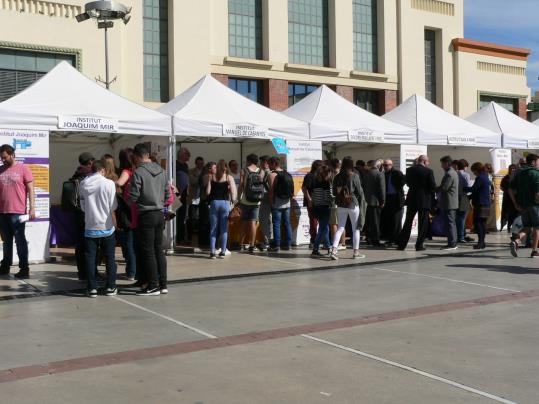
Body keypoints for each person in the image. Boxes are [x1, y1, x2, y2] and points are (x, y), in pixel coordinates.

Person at [129, 143, 169, 296]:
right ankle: (163, 284)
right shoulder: (162, 171)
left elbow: (133, 196)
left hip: (146, 214)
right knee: (158, 249)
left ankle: (152, 285)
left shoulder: (138, 172)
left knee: (148, 252)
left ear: (138, 157)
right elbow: (167, 194)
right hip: (159, 213)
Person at [79, 160, 118, 297]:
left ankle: (92, 288)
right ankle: (111, 286)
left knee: (90, 258)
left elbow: (83, 206)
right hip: (107, 226)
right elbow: (113, 206)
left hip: (90, 225)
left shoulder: (83, 183)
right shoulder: (109, 184)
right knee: (109, 258)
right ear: (102, 170)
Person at [0, 144, 35, 278]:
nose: (3, 160)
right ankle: (5, 266)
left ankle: (24, 268)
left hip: (17, 212)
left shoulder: (23, 169)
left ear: (12, 154)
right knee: (6, 241)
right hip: (2, 212)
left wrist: (32, 207)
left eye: (5, 157)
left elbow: (31, 189)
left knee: (20, 240)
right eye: (1, 158)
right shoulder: (0, 169)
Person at [397, 155, 436, 251]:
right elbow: (432, 186)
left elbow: (408, 183)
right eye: (428, 161)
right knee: (423, 223)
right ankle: (419, 245)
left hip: (412, 198)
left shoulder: (409, 170)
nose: (428, 163)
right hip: (424, 199)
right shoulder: (429, 171)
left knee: (408, 222)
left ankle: (402, 244)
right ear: (424, 161)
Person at [330, 157, 365, 260]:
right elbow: (359, 191)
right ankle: (356, 253)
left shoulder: (337, 177)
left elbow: (334, 193)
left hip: (341, 204)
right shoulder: (355, 176)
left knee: (340, 227)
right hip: (353, 203)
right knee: (356, 229)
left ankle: (334, 250)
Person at [70, 152, 96, 280]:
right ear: (90, 162)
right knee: (89, 245)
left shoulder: (75, 177)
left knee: (80, 245)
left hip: (77, 215)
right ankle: (90, 273)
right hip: (86, 215)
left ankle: (83, 273)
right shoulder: (86, 178)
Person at [509, 153, 539, 258]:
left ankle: (516, 241)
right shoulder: (536, 174)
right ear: (533, 162)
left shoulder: (519, 173)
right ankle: (534, 251)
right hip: (535, 205)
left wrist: (515, 203)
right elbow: (537, 193)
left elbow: (510, 189)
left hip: (523, 205)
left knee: (527, 226)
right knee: (537, 227)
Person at [206, 160, 237, 259]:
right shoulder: (229, 177)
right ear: (226, 167)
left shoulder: (211, 177)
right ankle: (223, 251)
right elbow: (233, 193)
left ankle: (212, 252)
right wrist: (233, 202)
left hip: (214, 203)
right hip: (225, 203)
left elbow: (207, 192)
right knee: (224, 229)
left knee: (213, 228)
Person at [116, 148, 137, 281]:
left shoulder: (126, 171)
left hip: (128, 211)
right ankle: (135, 270)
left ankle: (131, 271)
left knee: (128, 243)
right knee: (135, 242)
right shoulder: (138, 171)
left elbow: (119, 183)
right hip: (138, 209)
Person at [268, 157, 294, 252]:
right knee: (287, 223)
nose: (269, 166)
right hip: (287, 202)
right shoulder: (287, 174)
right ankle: (288, 244)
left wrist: (271, 201)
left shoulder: (272, 175)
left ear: (274, 164)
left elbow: (271, 190)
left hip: (277, 203)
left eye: (270, 164)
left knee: (276, 224)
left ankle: (277, 245)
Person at [238, 154, 263, 254]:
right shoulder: (261, 171)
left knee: (244, 222)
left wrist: (238, 198)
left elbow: (241, 185)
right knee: (253, 223)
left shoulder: (244, 170)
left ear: (249, 161)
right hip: (257, 200)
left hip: (245, 200)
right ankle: (252, 245)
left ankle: (241, 244)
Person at [465, 162, 491, 250]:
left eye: (473, 171)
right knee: (483, 224)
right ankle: (482, 242)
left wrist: (464, 188)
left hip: (480, 204)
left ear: (477, 170)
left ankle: (480, 243)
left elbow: (474, 189)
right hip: (486, 203)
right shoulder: (486, 176)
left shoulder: (480, 178)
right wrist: (470, 196)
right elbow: (479, 190)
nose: (473, 173)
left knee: (478, 224)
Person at [310, 163, 333, 257]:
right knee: (323, 228)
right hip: (324, 207)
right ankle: (315, 249)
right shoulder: (326, 183)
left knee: (325, 228)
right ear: (327, 173)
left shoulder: (315, 181)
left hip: (316, 207)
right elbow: (327, 197)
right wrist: (333, 199)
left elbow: (313, 196)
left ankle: (328, 247)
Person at [437, 155, 459, 250]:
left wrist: (434, 188)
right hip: (451, 202)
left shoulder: (449, 174)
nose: (441, 166)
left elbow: (445, 187)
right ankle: (451, 242)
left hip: (449, 203)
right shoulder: (452, 172)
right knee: (451, 223)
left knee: (450, 223)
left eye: (442, 164)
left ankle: (452, 243)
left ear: (446, 163)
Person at [381, 159, 404, 246]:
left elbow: (403, 181)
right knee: (389, 219)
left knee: (396, 220)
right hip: (388, 198)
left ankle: (397, 239)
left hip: (396, 198)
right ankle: (391, 239)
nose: (385, 167)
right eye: (384, 165)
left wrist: (396, 186)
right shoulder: (384, 174)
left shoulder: (397, 173)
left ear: (391, 165)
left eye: (386, 165)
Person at [363, 159, 386, 247]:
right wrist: (383, 200)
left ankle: (368, 238)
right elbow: (382, 189)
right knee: (375, 222)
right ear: (379, 166)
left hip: (367, 201)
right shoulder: (380, 174)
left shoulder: (366, 174)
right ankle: (375, 240)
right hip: (376, 201)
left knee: (368, 221)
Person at [302, 160, 323, 249]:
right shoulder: (309, 176)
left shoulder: (321, 176)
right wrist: (310, 200)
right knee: (313, 222)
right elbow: (304, 188)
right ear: (317, 167)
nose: (323, 168)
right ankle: (313, 241)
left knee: (320, 222)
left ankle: (319, 240)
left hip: (321, 202)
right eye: (321, 166)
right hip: (312, 203)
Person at [186, 156, 204, 244]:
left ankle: (201, 236)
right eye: (199, 163)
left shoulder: (205, 171)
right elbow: (193, 181)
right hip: (193, 198)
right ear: (196, 164)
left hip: (202, 198)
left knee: (202, 218)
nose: (201, 165)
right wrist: (201, 178)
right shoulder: (191, 171)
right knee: (191, 218)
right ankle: (190, 236)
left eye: (202, 163)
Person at [175, 148, 190, 244]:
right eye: (187, 154)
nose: (189, 156)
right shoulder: (175, 164)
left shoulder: (185, 165)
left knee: (182, 217)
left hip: (184, 195)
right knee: (175, 216)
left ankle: (181, 238)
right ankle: (176, 238)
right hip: (176, 195)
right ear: (182, 155)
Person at [456, 160, 472, 244]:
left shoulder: (455, 174)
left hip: (455, 197)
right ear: (465, 166)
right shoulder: (466, 175)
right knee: (462, 218)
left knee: (457, 218)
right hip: (464, 197)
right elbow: (468, 187)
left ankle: (458, 235)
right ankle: (461, 237)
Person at [258, 155, 272, 251]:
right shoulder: (274, 172)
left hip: (266, 199)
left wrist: (262, 172)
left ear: (265, 163)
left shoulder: (266, 172)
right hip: (273, 200)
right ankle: (271, 240)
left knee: (264, 220)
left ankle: (267, 242)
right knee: (270, 220)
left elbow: (259, 181)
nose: (260, 164)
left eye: (262, 162)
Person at [500, 164, 518, 232]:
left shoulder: (517, 177)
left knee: (513, 213)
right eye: (511, 169)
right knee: (506, 212)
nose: (513, 170)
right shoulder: (506, 178)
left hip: (514, 198)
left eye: (514, 169)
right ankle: (504, 226)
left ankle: (511, 226)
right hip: (507, 197)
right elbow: (501, 187)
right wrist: (506, 191)